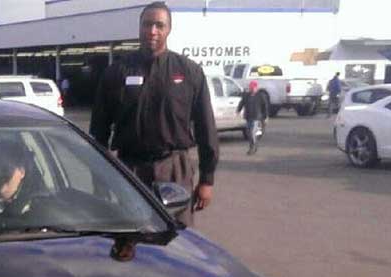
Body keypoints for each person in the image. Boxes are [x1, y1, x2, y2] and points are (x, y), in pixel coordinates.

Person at [89, 1, 218, 226]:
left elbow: (206, 128)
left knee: (178, 241)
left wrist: (207, 180)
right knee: (129, 238)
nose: (152, 31)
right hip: (129, 169)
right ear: (139, 27)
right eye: (147, 24)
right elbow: (98, 130)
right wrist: (100, 179)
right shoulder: (116, 72)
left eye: (159, 25)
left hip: (175, 169)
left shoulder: (189, 72)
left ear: (169, 29)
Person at [236, 80, 265, 155]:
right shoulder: (246, 95)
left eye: (253, 88)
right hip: (248, 116)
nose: (252, 89)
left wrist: (265, 116)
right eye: (251, 88)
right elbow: (241, 103)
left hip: (256, 117)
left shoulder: (260, 96)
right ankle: (254, 145)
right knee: (249, 133)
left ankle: (252, 147)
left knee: (252, 132)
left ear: (256, 88)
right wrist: (238, 110)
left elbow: (265, 106)